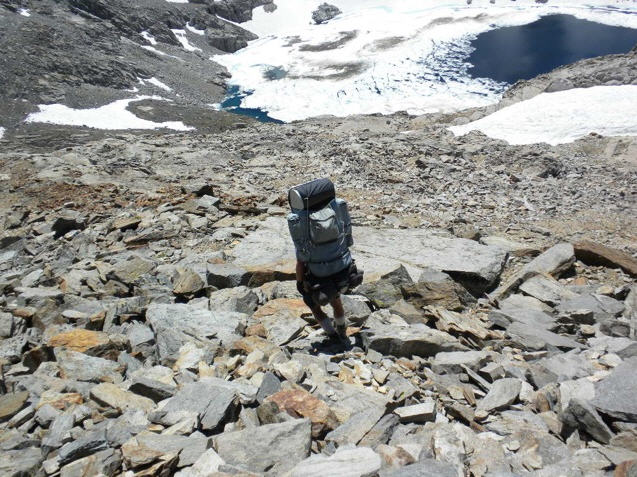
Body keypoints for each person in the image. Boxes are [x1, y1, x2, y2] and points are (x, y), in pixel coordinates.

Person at [287, 178, 363, 341]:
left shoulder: (302, 225)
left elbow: (301, 262)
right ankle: (342, 330)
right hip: (341, 268)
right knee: (336, 300)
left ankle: (331, 334)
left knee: (313, 306)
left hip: (318, 277)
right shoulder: (334, 211)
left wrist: (300, 284)